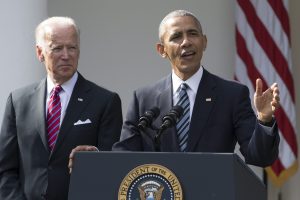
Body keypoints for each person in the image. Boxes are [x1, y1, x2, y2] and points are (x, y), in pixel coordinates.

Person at [112, 10, 280, 167]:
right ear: (162, 50)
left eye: (192, 33)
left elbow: (260, 158)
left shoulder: (232, 95)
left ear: (204, 42)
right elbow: (123, 157)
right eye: (176, 36)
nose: (186, 42)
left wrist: (264, 119)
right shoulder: (143, 98)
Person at [0, 17, 122, 200]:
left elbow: (112, 165)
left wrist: (94, 157)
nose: (66, 55)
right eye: (57, 48)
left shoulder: (105, 101)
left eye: (72, 47)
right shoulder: (18, 101)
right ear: (40, 53)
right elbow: (5, 169)